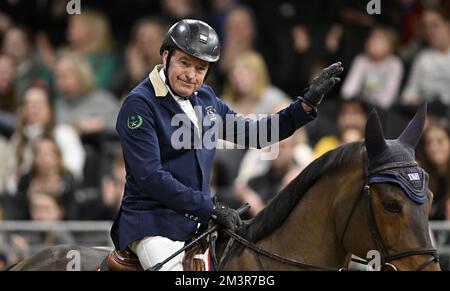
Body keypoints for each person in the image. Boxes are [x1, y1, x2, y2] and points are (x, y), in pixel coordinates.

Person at [110, 19, 343, 271]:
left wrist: (304, 105)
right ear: (166, 57)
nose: (191, 75)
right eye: (184, 63)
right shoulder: (139, 104)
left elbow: (256, 134)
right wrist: (209, 208)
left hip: (197, 223)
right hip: (153, 224)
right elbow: (150, 176)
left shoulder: (206, 99)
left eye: (200, 68)